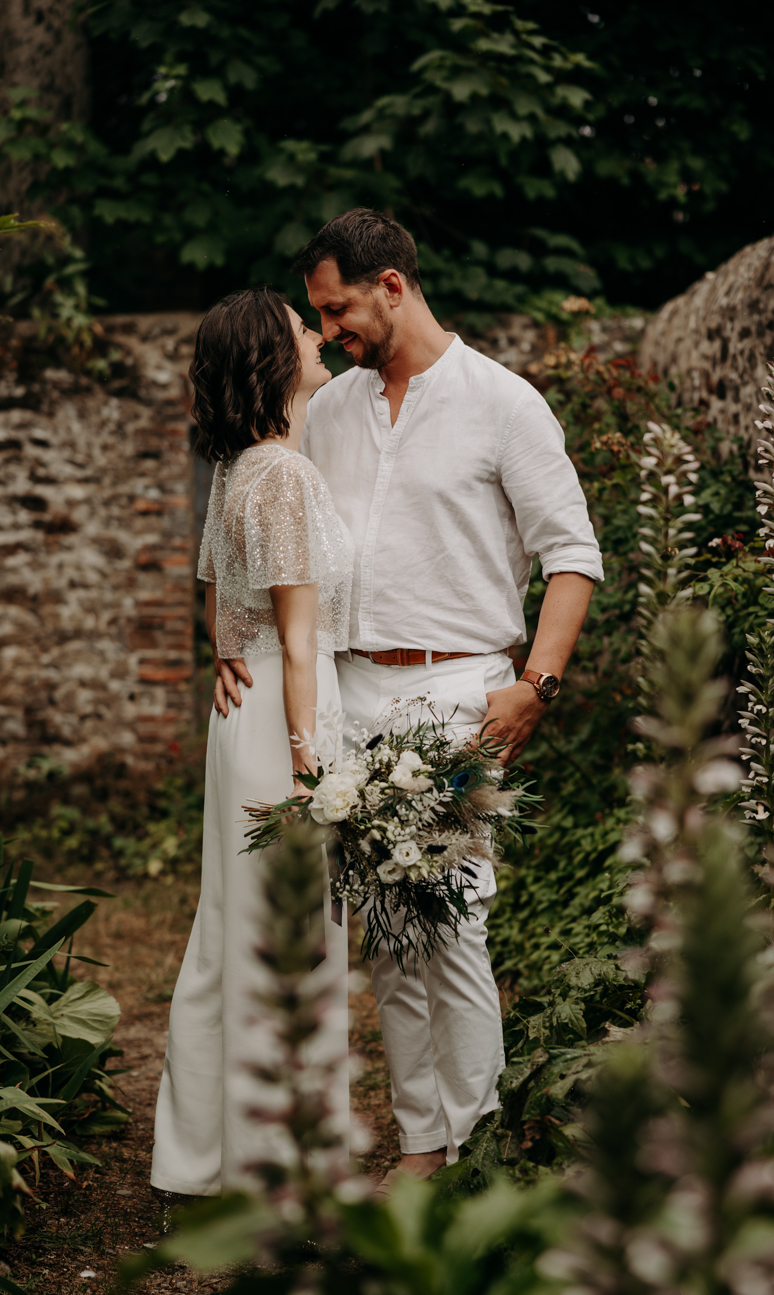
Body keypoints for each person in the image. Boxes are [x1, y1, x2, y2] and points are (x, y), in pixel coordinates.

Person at [218, 210, 603, 1184]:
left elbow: (573, 556)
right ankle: (423, 1143)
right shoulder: (330, 406)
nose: (330, 328)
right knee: (387, 936)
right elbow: (263, 518)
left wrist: (534, 687)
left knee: (453, 923)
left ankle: (482, 1149)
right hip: (348, 690)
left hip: (456, 687)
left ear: (392, 285)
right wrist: (233, 640)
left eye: (338, 307)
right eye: (319, 313)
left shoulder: (504, 402)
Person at [150, 287, 354, 1196]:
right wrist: (314, 766)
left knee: (232, 926)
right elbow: (301, 639)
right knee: (293, 935)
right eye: (300, 327)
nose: (317, 335)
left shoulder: (238, 468)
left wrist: (228, 653)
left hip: (246, 709)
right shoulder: (283, 473)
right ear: (274, 359)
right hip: (285, 716)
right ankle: (284, 1165)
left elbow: (214, 600)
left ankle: (206, 1152)